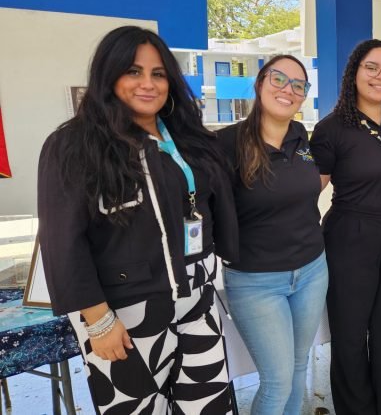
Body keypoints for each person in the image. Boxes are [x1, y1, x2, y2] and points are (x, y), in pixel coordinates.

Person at [37, 26, 238, 414]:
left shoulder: (187, 138)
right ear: (108, 75)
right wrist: (97, 321)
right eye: (133, 71)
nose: (148, 84)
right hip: (123, 312)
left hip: (197, 298)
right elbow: (63, 241)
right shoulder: (73, 145)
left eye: (158, 73)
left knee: (209, 405)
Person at [309, 39, 381, 415]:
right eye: (371, 67)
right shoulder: (331, 129)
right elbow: (308, 191)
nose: (380, 76)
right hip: (350, 237)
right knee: (351, 335)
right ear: (354, 73)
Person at [217, 55, 327, 415]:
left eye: (299, 85)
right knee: (277, 379)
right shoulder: (226, 144)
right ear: (260, 83)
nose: (288, 89)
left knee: (297, 369)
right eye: (279, 79)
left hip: (312, 270)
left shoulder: (301, 137)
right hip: (256, 280)